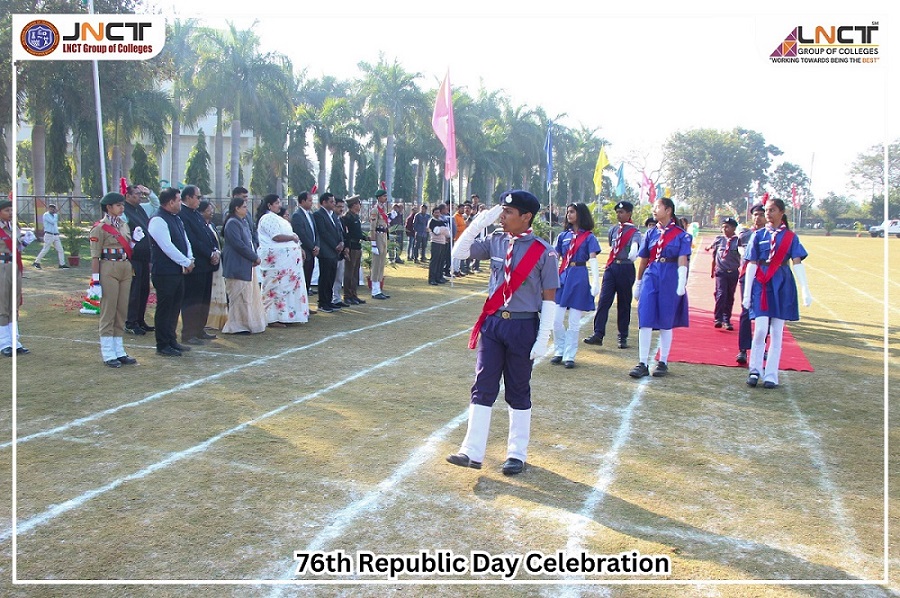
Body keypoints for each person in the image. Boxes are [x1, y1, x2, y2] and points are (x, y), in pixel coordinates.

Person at [446, 190, 559, 476]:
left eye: (508, 212)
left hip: (523, 326)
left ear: (526, 216)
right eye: (502, 211)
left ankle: (516, 454)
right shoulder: (496, 240)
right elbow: (458, 253)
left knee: (518, 389)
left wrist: (543, 335)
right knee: (482, 385)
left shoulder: (544, 251)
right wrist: (479, 222)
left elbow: (549, 298)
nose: (503, 216)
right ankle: (472, 451)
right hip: (494, 323)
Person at [742, 196, 813, 389]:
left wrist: (805, 289)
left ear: (782, 212)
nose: (768, 214)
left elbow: (797, 263)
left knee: (777, 332)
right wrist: (747, 293)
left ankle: (772, 374)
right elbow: (751, 264)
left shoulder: (790, 237)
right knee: (761, 330)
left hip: (782, 284)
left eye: (772, 210)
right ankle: (755, 369)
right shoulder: (758, 235)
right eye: (766, 211)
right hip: (762, 284)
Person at [629, 197, 692, 378]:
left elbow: (682, 259)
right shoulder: (650, 233)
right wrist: (638, 282)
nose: (654, 210)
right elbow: (644, 260)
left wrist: (681, 282)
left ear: (669, 210)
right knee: (645, 317)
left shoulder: (681, 235)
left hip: (670, 276)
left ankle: (663, 361)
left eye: (657, 207)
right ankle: (642, 363)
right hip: (652, 274)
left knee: (666, 320)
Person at [89, 193, 138, 367]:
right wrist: (95, 282)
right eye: (118, 205)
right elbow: (95, 256)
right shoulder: (100, 228)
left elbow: (127, 247)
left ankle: (119, 350)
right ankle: (108, 352)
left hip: (125, 266)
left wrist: (135, 241)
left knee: (121, 310)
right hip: (108, 266)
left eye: (122, 205)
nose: (121, 208)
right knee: (109, 310)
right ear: (108, 207)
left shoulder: (124, 225)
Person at [585, 201, 642, 349]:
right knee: (604, 301)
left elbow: (635, 244)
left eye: (622, 212)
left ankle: (622, 336)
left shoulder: (634, 231)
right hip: (612, 267)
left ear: (629, 214)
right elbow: (612, 245)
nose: (619, 214)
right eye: (617, 212)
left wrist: (634, 250)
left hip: (625, 267)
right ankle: (598, 333)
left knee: (624, 303)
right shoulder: (613, 230)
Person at [550, 203, 601, 368]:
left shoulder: (589, 237)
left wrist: (596, 281)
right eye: (567, 212)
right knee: (556, 319)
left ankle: (569, 355)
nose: (568, 215)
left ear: (580, 214)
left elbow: (593, 258)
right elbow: (554, 257)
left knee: (573, 321)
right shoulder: (563, 236)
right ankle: (559, 349)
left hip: (579, 276)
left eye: (572, 212)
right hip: (563, 276)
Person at [148, 188, 194, 357]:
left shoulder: (176, 219)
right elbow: (167, 247)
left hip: (177, 271)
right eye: (178, 199)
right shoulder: (158, 220)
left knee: (175, 307)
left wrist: (190, 258)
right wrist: (185, 262)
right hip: (164, 272)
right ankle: (162, 344)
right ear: (170, 202)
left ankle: (172, 339)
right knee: (165, 308)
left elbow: (185, 240)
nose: (180, 203)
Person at [257, 194, 309, 327]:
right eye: (277, 203)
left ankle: (287, 316)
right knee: (275, 288)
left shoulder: (277, 218)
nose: (279, 205)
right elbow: (276, 237)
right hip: (276, 263)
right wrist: (292, 238)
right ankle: (272, 318)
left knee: (287, 289)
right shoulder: (267, 217)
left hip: (287, 263)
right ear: (269, 205)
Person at [179, 185, 221, 345]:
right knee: (192, 300)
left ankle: (199, 329)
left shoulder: (196, 214)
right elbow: (192, 240)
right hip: (195, 264)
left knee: (204, 299)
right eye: (197, 197)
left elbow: (208, 235)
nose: (199, 200)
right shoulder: (183, 215)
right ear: (188, 197)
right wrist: (209, 253)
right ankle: (189, 333)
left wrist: (215, 250)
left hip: (207, 264)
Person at [221, 197, 266, 334]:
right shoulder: (232, 223)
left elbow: (249, 241)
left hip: (245, 263)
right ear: (237, 208)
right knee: (238, 295)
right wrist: (254, 257)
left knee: (246, 296)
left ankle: (246, 323)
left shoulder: (242, 222)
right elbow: (239, 245)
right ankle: (236, 326)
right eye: (244, 207)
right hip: (236, 264)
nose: (247, 209)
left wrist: (253, 254)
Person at [0, 199, 36, 357]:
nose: (10, 213)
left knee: (13, 304)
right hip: (1, 266)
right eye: (7, 210)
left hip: (14, 266)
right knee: (2, 305)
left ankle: (15, 340)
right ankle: (4, 342)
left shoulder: (13, 227)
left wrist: (26, 242)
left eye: (11, 210)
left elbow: (17, 248)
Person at [122, 184, 157, 335]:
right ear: (128, 195)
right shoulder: (124, 211)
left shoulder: (141, 208)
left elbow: (155, 205)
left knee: (144, 289)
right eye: (136, 194)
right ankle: (130, 321)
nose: (139, 196)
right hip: (133, 257)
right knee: (134, 290)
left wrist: (149, 192)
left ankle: (140, 319)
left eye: (140, 194)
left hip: (144, 256)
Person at [735, 202, 767, 364]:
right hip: (748, 276)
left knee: (766, 311)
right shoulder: (745, 235)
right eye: (756, 215)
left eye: (761, 214)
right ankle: (743, 349)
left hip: (766, 277)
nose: (758, 218)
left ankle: (762, 347)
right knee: (746, 311)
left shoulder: (770, 235)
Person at [705, 217, 741, 330]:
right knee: (721, 294)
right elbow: (714, 255)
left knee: (730, 296)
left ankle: (727, 320)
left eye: (727, 227)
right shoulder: (719, 239)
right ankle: (718, 318)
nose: (725, 229)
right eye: (723, 227)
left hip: (733, 272)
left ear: (734, 228)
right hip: (721, 272)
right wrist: (712, 270)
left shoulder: (738, 241)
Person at [313, 192, 344, 313]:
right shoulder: (318, 215)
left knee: (331, 277)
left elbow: (339, 231)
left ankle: (329, 300)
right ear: (324, 202)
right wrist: (335, 245)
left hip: (335, 251)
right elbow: (323, 232)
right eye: (331, 202)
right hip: (326, 251)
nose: (334, 204)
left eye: (334, 202)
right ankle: (322, 302)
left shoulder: (333, 215)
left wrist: (341, 242)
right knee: (325, 277)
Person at [199, 200, 228, 331]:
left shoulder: (211, 226)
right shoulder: (200, 226)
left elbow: (216, 242)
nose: (211, 212)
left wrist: (216, 252)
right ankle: (209, 320)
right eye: (208, 210)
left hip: (216, 261)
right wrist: (211, 255)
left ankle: (219, 319)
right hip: (207, 262)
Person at [290, 191, 319, 301]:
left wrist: (317, 245)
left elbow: (316, 232)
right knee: (303, 279)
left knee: (308, 279)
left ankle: (305, 304)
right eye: (310, 200)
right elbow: (301, 234)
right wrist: (312, 247)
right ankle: (301, 304)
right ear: (302, 201)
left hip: (312, 251)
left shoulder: (310, 215)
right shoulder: (297, 215)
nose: (312, 203)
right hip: (305, 252)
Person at [342, 196, 368, 305]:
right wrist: (346, 248)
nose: (360, 205)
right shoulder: (347, 218)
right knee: (349, 273)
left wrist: (366, 238)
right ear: (353, 205)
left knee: (355, 273)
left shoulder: (356, 217)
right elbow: (346, 234)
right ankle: (347, 295)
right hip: (351, 247)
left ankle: (354, 294)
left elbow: (358, 233)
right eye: (358, 203)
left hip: (357, 246)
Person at [368, 189, 391, 299]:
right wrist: (373, 243)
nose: (385, 198)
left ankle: (378, 288)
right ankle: (375, 290)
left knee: (381, 263)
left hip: (383, 236)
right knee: (376, 264)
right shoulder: (375, 210)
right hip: (377, 236)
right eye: (383, 196)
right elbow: (372, 228)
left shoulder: (384, 209)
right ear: (378, 197)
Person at [33, 203, 68, 269]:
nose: (52, 210)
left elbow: (55, 225)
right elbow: (52, 222)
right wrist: (55, 215)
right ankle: (36, 262)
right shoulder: (46, 215)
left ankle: (62, 264)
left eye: (53, 209)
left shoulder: (54, 215)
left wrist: (58, 233)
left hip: (55, 235)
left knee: (60, 250)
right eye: (51, 209)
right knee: (45, 249)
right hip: (49, 235)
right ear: (48, 209)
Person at [329, 197, 350, 308]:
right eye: (339, 206)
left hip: (341, 252)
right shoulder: (331, 218)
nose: (341, 209)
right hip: (332, 252)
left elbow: (344, 235)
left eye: (342, 207)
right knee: (331, 277)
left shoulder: (340, 219)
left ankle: (336, 298)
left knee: (338, 277)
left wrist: (345, 246)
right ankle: (330, 299)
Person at [427, 206, 450, 285]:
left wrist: (443, 230)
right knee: (434, 261)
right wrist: (443, 230)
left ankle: (439, 277)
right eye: (435, 212)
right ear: (432, 213)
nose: (437, 214)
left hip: (443, 242)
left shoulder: (441, 221)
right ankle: (432, 278)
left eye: (438, 212)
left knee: (441, 261)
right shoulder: (432, 221)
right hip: (435, 242)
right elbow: (436, 231)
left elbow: (447, 232)